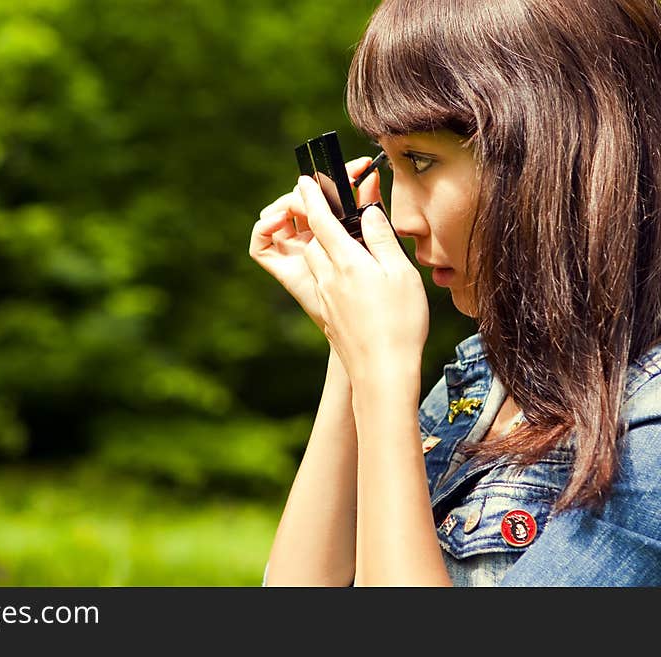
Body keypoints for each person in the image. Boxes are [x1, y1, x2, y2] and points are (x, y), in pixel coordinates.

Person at [249, 0, 661, 586]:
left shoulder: (648, 433)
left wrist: (382, 373)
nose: (400, 217)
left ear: (553, 153)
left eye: (421, 160)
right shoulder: (483, 384)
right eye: (389, 167)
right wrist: (351, 353)